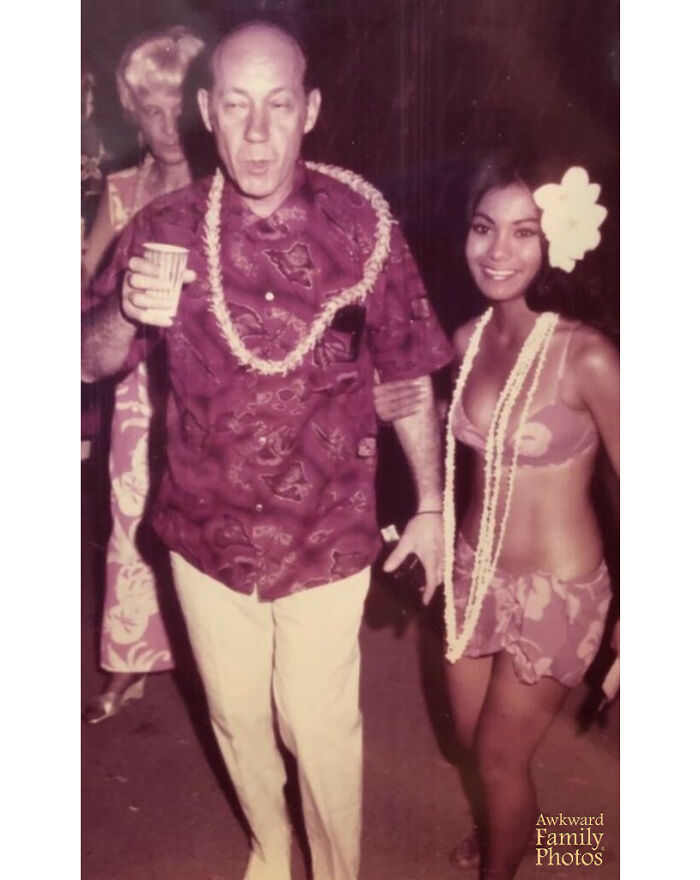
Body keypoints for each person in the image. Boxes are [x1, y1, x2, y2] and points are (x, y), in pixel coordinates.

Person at [82, 15, 451, 880]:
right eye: (237, 105)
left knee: (318, 728)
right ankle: (270, 846)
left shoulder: (363, 225)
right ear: (207, 110)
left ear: (309, 109)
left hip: (328, 533)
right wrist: (125, 314)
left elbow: (408, 371)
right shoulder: (163, 228)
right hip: (204, 533)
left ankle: (336, 870)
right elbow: (88, 360)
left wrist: (433, 507)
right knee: (238, 718)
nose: (256, 132)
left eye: (277, 105)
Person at [375, 148, 619, 880]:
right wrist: (406, 408)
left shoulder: (588, 355)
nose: (498, 251)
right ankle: (523, 834)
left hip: (558, 594)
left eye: (523, 232)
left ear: (554, 243)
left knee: (499, 758)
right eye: (484, 228)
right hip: (472, 574)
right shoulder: (467, 340)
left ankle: (507, 861)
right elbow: (464, 433)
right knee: (470, 743)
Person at [82, 26, 204, 724]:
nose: (166, 126)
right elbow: (87, 271)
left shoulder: (225, 183)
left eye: (177, 109)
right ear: (134, 113)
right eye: (151, 111)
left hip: (213, 375)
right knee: (132, 513)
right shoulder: (125, 188)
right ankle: (130, 658)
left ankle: (209, 659)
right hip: (138, 384)